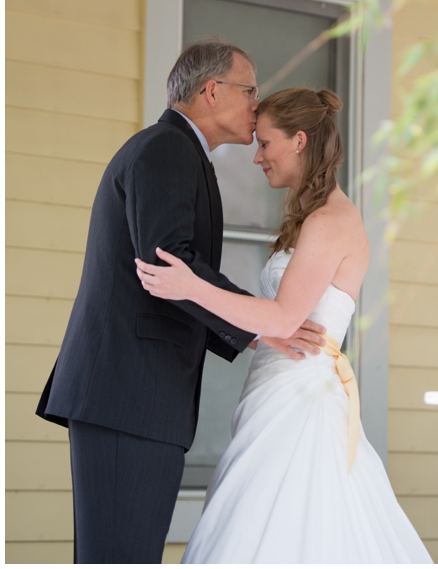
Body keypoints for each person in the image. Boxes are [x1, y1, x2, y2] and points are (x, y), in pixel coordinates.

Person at [36, 39, 328, 563]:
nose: (257, 105)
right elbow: (168, 261)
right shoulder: (167, 149)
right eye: (250, 91)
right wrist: (265, 325)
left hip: (132, 397)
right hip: (130, 396)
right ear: (211, 91)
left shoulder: (177, 152)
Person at [135, 87, 431, 563]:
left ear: (298, 141)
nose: (257, 157)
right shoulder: (310, 218)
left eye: (265, 143)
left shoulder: (331, 221)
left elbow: (284, 317)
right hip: (274, 390)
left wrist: (190, 285)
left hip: (301, 403)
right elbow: (279, 321)